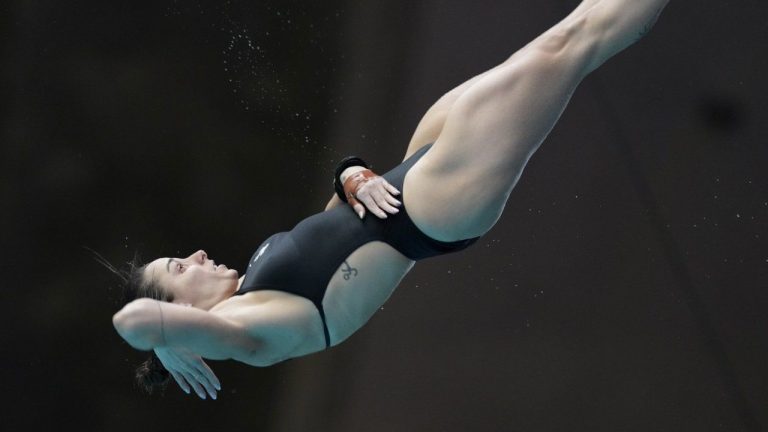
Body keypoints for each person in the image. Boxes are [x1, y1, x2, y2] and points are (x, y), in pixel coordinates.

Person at [112, 0, 671, 400]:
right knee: (572, 45)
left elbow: (337, 222)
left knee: (567, 34)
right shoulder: (247, 337)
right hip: (433, 209)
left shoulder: (257, 281)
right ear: (182, 312)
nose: (199, 257)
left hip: (411, 173)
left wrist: (349, 175)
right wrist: (164, 343)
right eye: (180, 268)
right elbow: (133, 319)